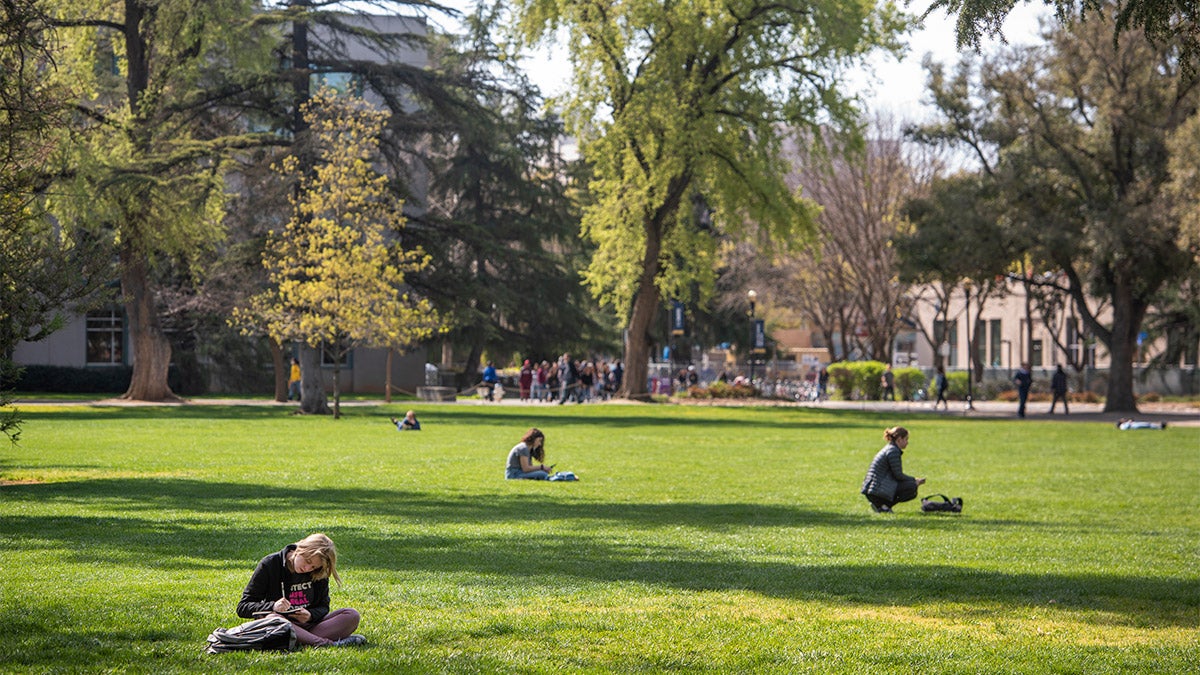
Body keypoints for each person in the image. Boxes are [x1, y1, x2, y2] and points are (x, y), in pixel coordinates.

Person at [237, 533, 366, 648]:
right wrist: (273, 606)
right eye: (307, 561)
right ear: (300, 549)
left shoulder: (318, 572)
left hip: (310, 626)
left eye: (313, 566)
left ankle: (303, 640)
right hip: (280, 625)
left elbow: (323, 607)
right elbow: (243, 607)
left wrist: (310, 615)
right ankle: (326, 643)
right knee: (274, 619)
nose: (307, 568)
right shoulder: (270, 564)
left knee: (351, 615)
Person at [861, 426, 926, 513]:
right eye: (906, 439)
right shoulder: (893, 451)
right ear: (899, 439)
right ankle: (884, 506)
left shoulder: (889, 448)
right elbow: (898, 475)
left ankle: (882, 506)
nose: (907, 442)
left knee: (911, 484)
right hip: (876, 492)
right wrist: (914, 480)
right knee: (912, 487)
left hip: (872, 491)